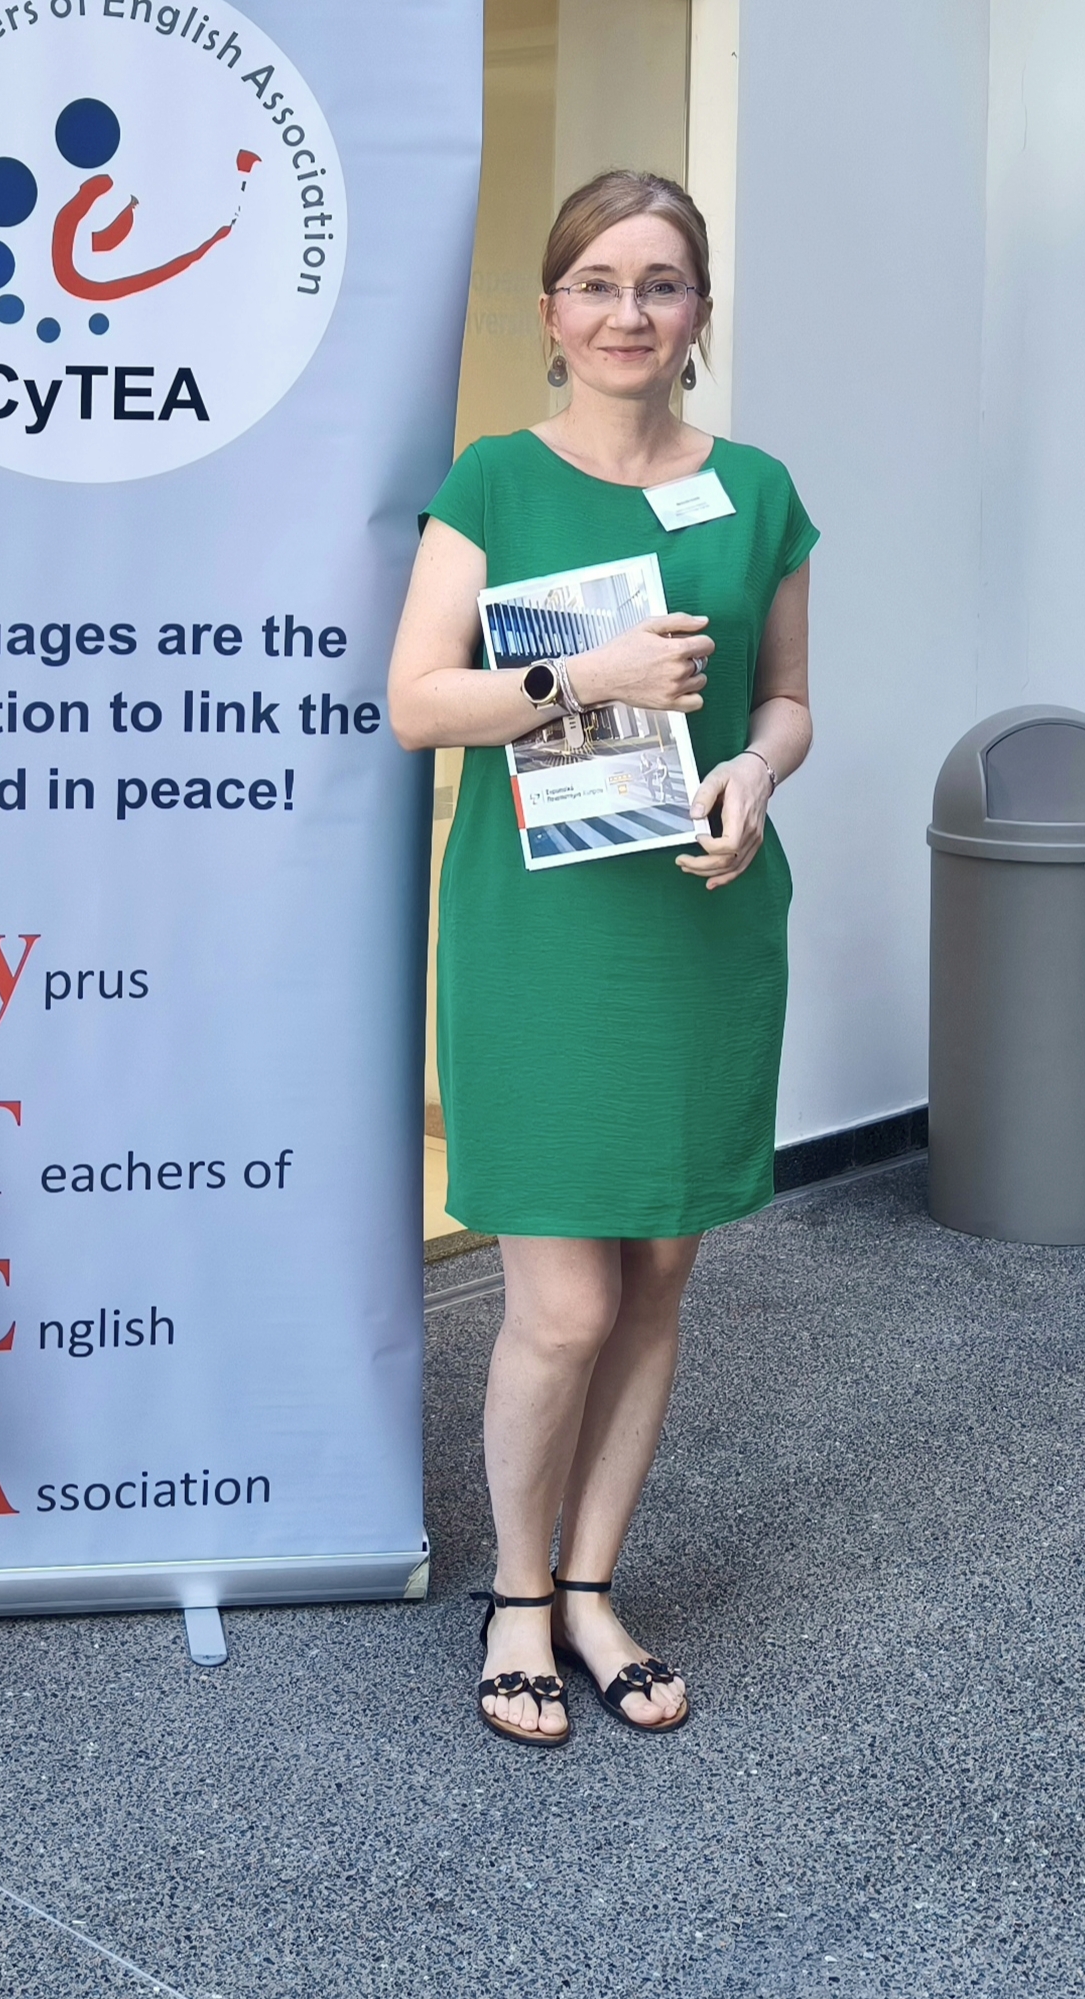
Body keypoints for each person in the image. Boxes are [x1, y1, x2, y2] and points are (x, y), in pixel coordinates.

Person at [386, 169, 814, 1746]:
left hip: (698, 923)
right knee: (561, 1302)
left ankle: (589, 1584)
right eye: (596, 282)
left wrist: (754, 771)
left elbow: (786, 698)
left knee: (654, 1282)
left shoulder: (753, 490)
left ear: (697, 311)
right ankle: (514, 1593)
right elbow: (415, 701)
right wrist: (590, 674)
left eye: (659, 282)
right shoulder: (492, 480)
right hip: (544, 937)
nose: (627, 312)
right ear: (551, 312)